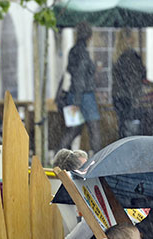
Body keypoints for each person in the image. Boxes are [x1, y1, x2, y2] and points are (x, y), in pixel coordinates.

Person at [60, 21, 102, 154]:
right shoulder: (83, 52)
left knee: (74, 130)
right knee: (94, 129)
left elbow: (74, 72)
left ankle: (59, 156)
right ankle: (99, 161)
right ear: (89, 36)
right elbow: (80, 76)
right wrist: (78, 101)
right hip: (84, 96)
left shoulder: (73, 51)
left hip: (74, 94)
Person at [112, 29, 153, 138]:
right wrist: (136, 99)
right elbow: (132, 81)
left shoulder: (118, 56)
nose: (134, 39)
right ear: (128, 39)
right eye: (132, 36)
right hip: (129, 98)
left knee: (123, 126)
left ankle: (123, 149)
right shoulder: (130, 56)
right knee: (132, 129)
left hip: (118, 97)